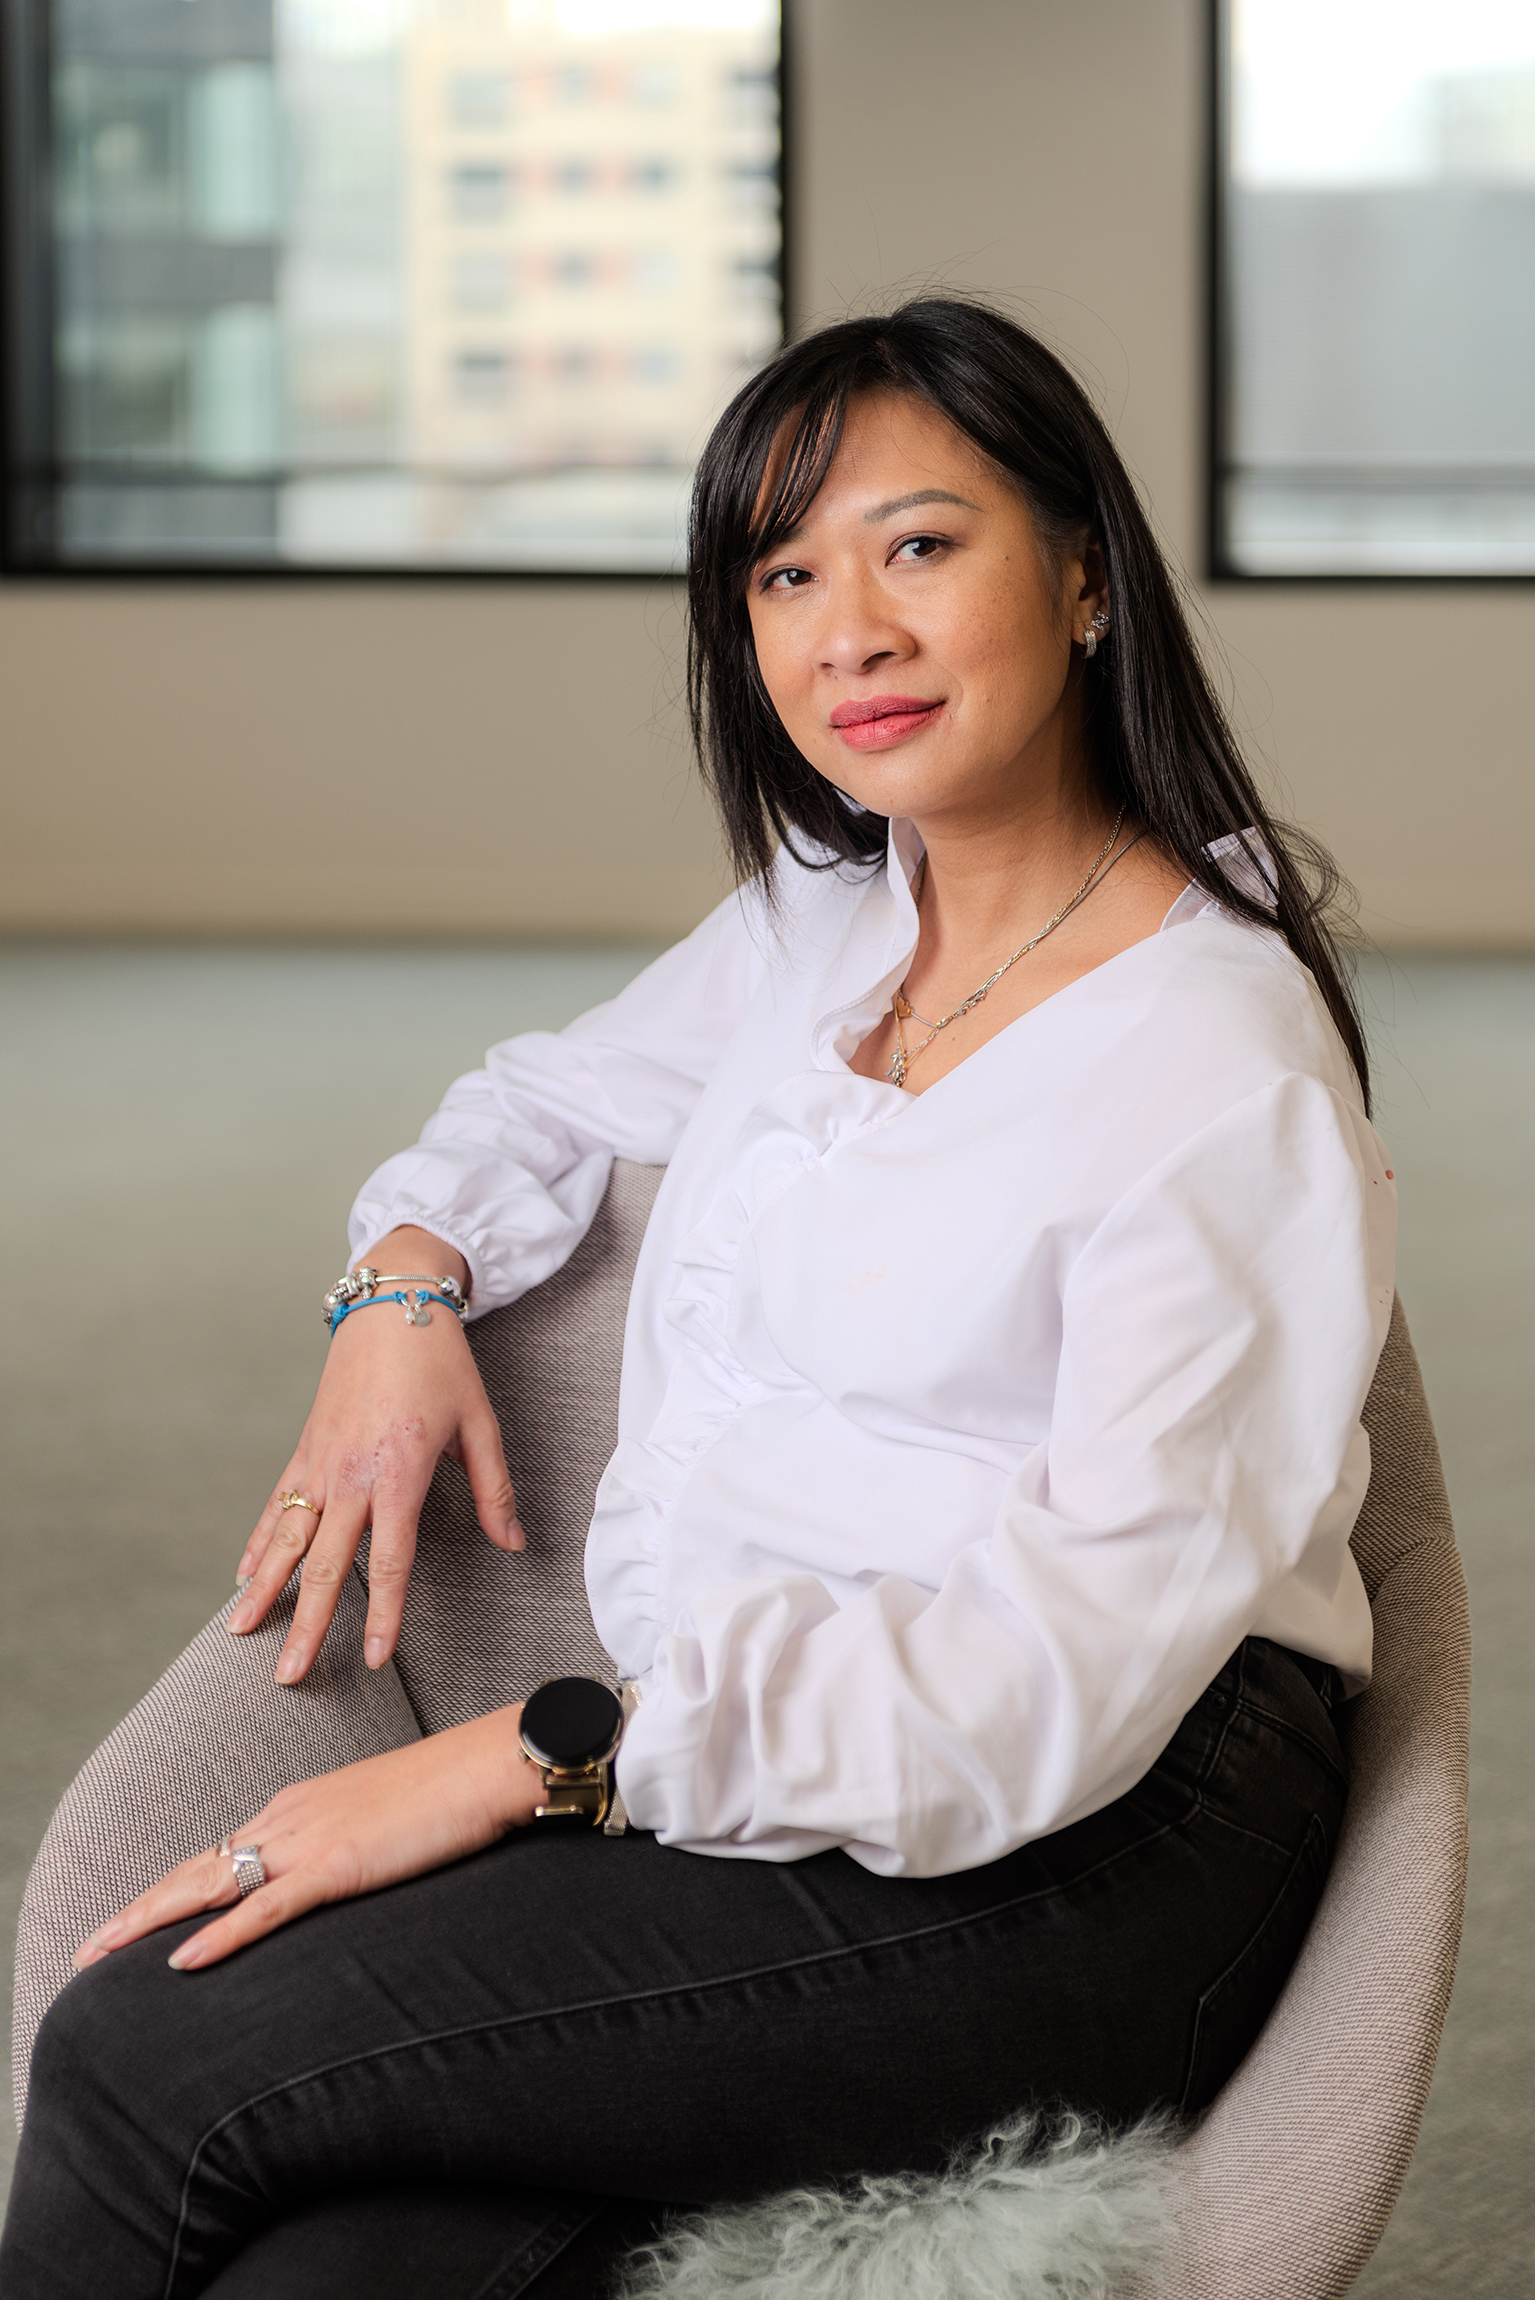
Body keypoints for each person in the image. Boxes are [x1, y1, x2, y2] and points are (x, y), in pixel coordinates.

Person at [0, 300, 1391, 2300]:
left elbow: (1056, 1682)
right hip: (761, 1767)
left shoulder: (1215, 1062)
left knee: (148, 2059)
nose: (853, 630)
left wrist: (524, 1756)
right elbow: (539, 1105)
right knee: (340, 2259)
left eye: (922, 544)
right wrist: (395, 1287)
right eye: (788, 571)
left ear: (1085, 572)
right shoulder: (836, 915)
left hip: (1089, 1839)